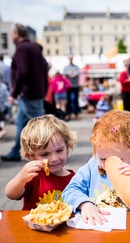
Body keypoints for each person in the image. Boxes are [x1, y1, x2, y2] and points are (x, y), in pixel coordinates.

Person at [63, 110, 130, 225]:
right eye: (102, 158)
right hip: (98, 228)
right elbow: (70, 191)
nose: (108, 164)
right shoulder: (92, 166)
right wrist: (84, 204)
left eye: (117, 159)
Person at [5, 114, 78, 210]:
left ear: (67, 146)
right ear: (30, 156)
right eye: (44, 154)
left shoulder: (75, 179)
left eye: (59, 150)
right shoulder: (32, 177)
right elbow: (10, 194)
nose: (54, 158)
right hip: (34, 224)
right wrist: (21, 177)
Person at [1, 23, 48, 162]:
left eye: (11, 34)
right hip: (35, 92)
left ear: (16, 34)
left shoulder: (22, 49)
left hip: (29, 93)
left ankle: (50, 152)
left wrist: (13, 93)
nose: (10, 37)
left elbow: (22, 72)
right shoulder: (34, 47)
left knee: (41, 126)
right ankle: (16, 151)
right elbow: (44, 69)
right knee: (21, 124)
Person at [63, 54, 80, 121]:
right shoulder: (66, 67)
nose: (70, 59)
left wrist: (70, 74)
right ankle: (68, 113)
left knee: (76, 100)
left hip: (75, 85)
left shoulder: (76, 67)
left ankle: (76, 113)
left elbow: (76, 74)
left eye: (71, 58)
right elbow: (66, 74)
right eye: (69, 58)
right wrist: (71, 74)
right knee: (68, 100)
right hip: (68, 86)